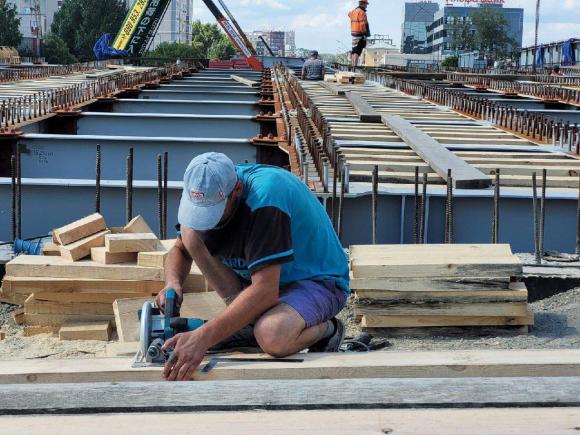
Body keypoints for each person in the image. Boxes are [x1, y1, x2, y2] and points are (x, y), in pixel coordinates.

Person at [156, 153, 349, 381]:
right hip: (264, 282)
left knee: (273, 335)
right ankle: (247, 321)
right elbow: (180, 248)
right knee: (190, 233)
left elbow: (266, 291)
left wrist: (203, 337)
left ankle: (329, 330)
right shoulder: (203, 187)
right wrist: (173, 282)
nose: (209, 220)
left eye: (215, 211)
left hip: (317, 282)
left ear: (236, 190)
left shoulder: (267, 197)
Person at [348, 0, 370, 67]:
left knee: (354, 49)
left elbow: (349, 14)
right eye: (366, 4)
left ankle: (353, 65)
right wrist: (364, 34)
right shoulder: (362, 12)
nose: (366, 6)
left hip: (354, 33)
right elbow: (362, 24)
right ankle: (355, 66)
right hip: (360, 33)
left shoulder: (354, 11)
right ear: (362, 4)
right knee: (357, 50)